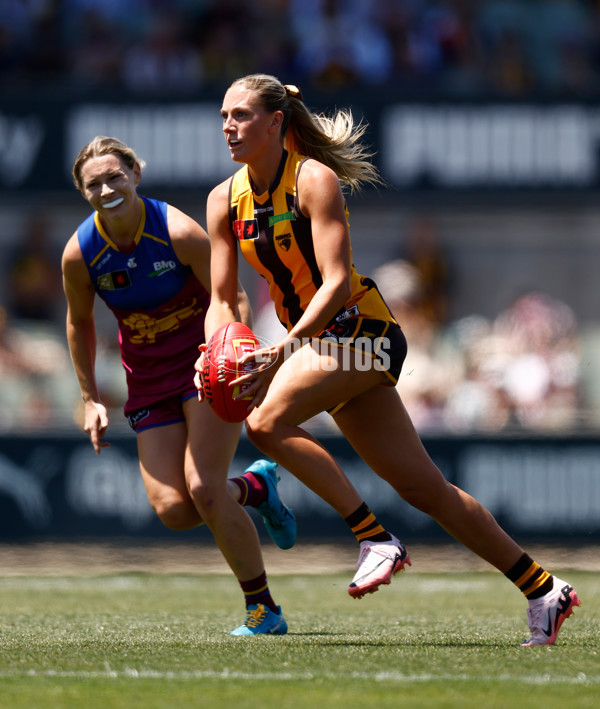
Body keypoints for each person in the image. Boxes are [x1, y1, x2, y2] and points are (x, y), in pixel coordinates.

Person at [195, 73, 580, 647]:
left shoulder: (314, 180)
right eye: (224, 115)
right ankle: (543, 588)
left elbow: (331, 285)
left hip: (361, 329)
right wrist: (219, 345)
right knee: (427, 490)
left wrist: (281, 349)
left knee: (266, 421)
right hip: (319, 343)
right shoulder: (224, 200)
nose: (229, 126)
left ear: (276, 122)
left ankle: (373, 536)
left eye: (242, 115)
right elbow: (224, 298)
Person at [62, 136, 296, 637]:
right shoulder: (80, 254)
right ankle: (256, 487)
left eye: (115, 177)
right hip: (147, 380)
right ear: (83, 193)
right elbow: (78, 323)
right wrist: (90, 399)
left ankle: (263, 610)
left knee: (204, 489)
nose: (106, 189)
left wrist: (231, 353)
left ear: (135, 175)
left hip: (202, 367)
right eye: (94, 184)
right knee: (173, 510)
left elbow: (229, 293)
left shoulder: (177, 231)